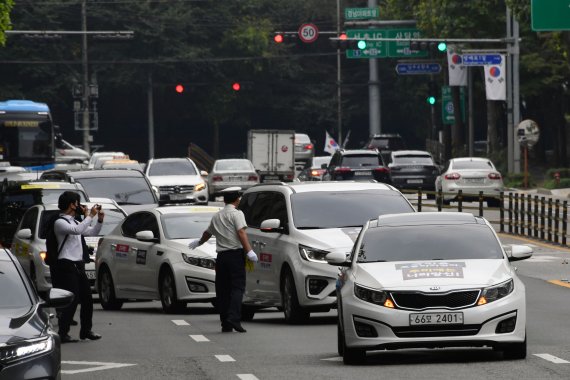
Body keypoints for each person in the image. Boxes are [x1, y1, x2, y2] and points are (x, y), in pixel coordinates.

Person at [189, 187, 258, 333]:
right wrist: (249, 251)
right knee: (237, 288)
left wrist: (199, 242)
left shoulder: (217, 216)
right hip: (235, 255)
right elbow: (241, 232)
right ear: (237, 200)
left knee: (223, 290)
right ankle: (234, 319)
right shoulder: (237, 214)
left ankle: (225, 322)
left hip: (221, 257)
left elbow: (207, 233)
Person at [51, 191, 104, 343]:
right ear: (71, 205)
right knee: (71, 300)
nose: (80, 206)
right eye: (77, 203)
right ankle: (63, 332)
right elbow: (78, 230)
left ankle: (86, 330)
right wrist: (90, 215)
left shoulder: (75, 222)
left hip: (78, 265)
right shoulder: (60, 222)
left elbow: (90, 232)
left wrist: (99, 220)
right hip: (66, 264)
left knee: (87, 299)